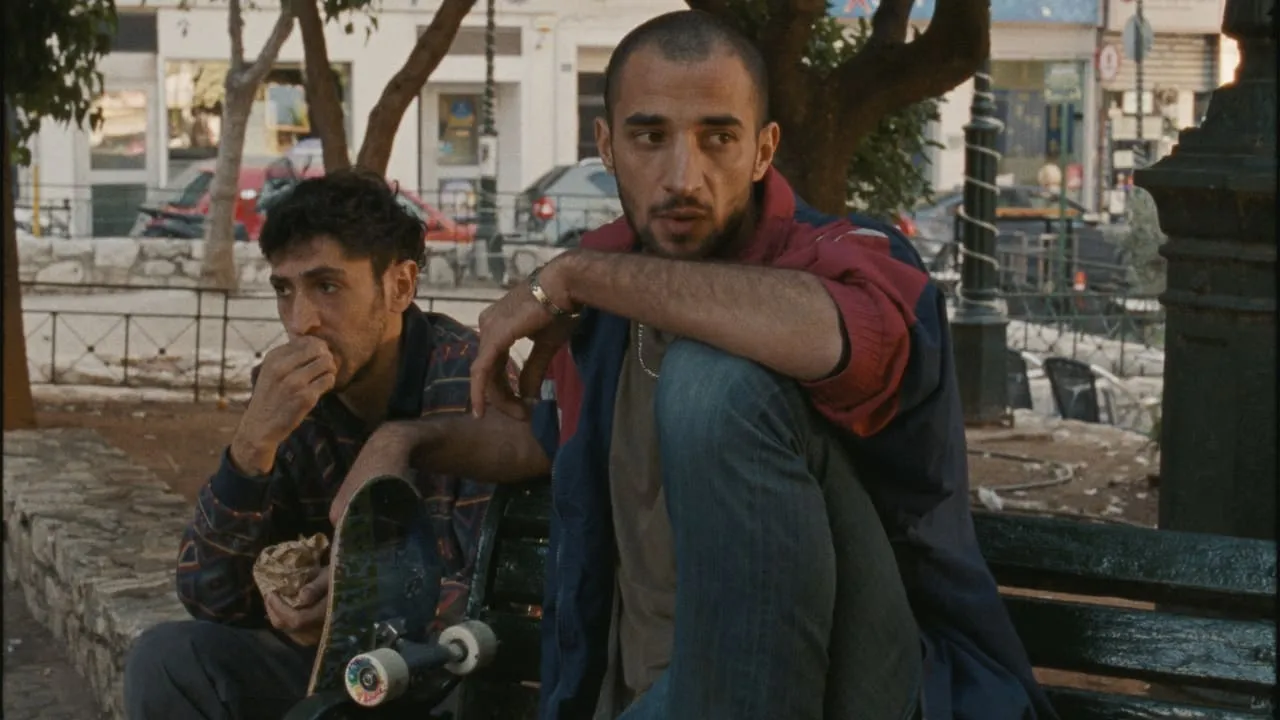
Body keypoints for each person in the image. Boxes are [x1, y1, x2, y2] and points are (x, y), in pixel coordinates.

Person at [329, 10, 1057, 720]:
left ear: (764, 151)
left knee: (714, 381)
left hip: (871, 685)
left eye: (719, 138)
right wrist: (404, 440)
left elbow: (841, 336)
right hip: (649, 684)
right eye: (651, 137)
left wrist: (575, 276)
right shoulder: (609, 286)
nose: (683, 176)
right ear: (607, 145)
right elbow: (554, 443)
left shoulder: (843, 256)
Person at [122, 169, 504, 720]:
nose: (301, 322)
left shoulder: (470, 383)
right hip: (327, 673)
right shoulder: (289, 400)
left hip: (440, 681)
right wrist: (251, 447)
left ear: (399, 286)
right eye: (285, 290)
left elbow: (494, 602)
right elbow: (211, 596)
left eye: (327, 287)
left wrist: (357, 608)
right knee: (165, 660)